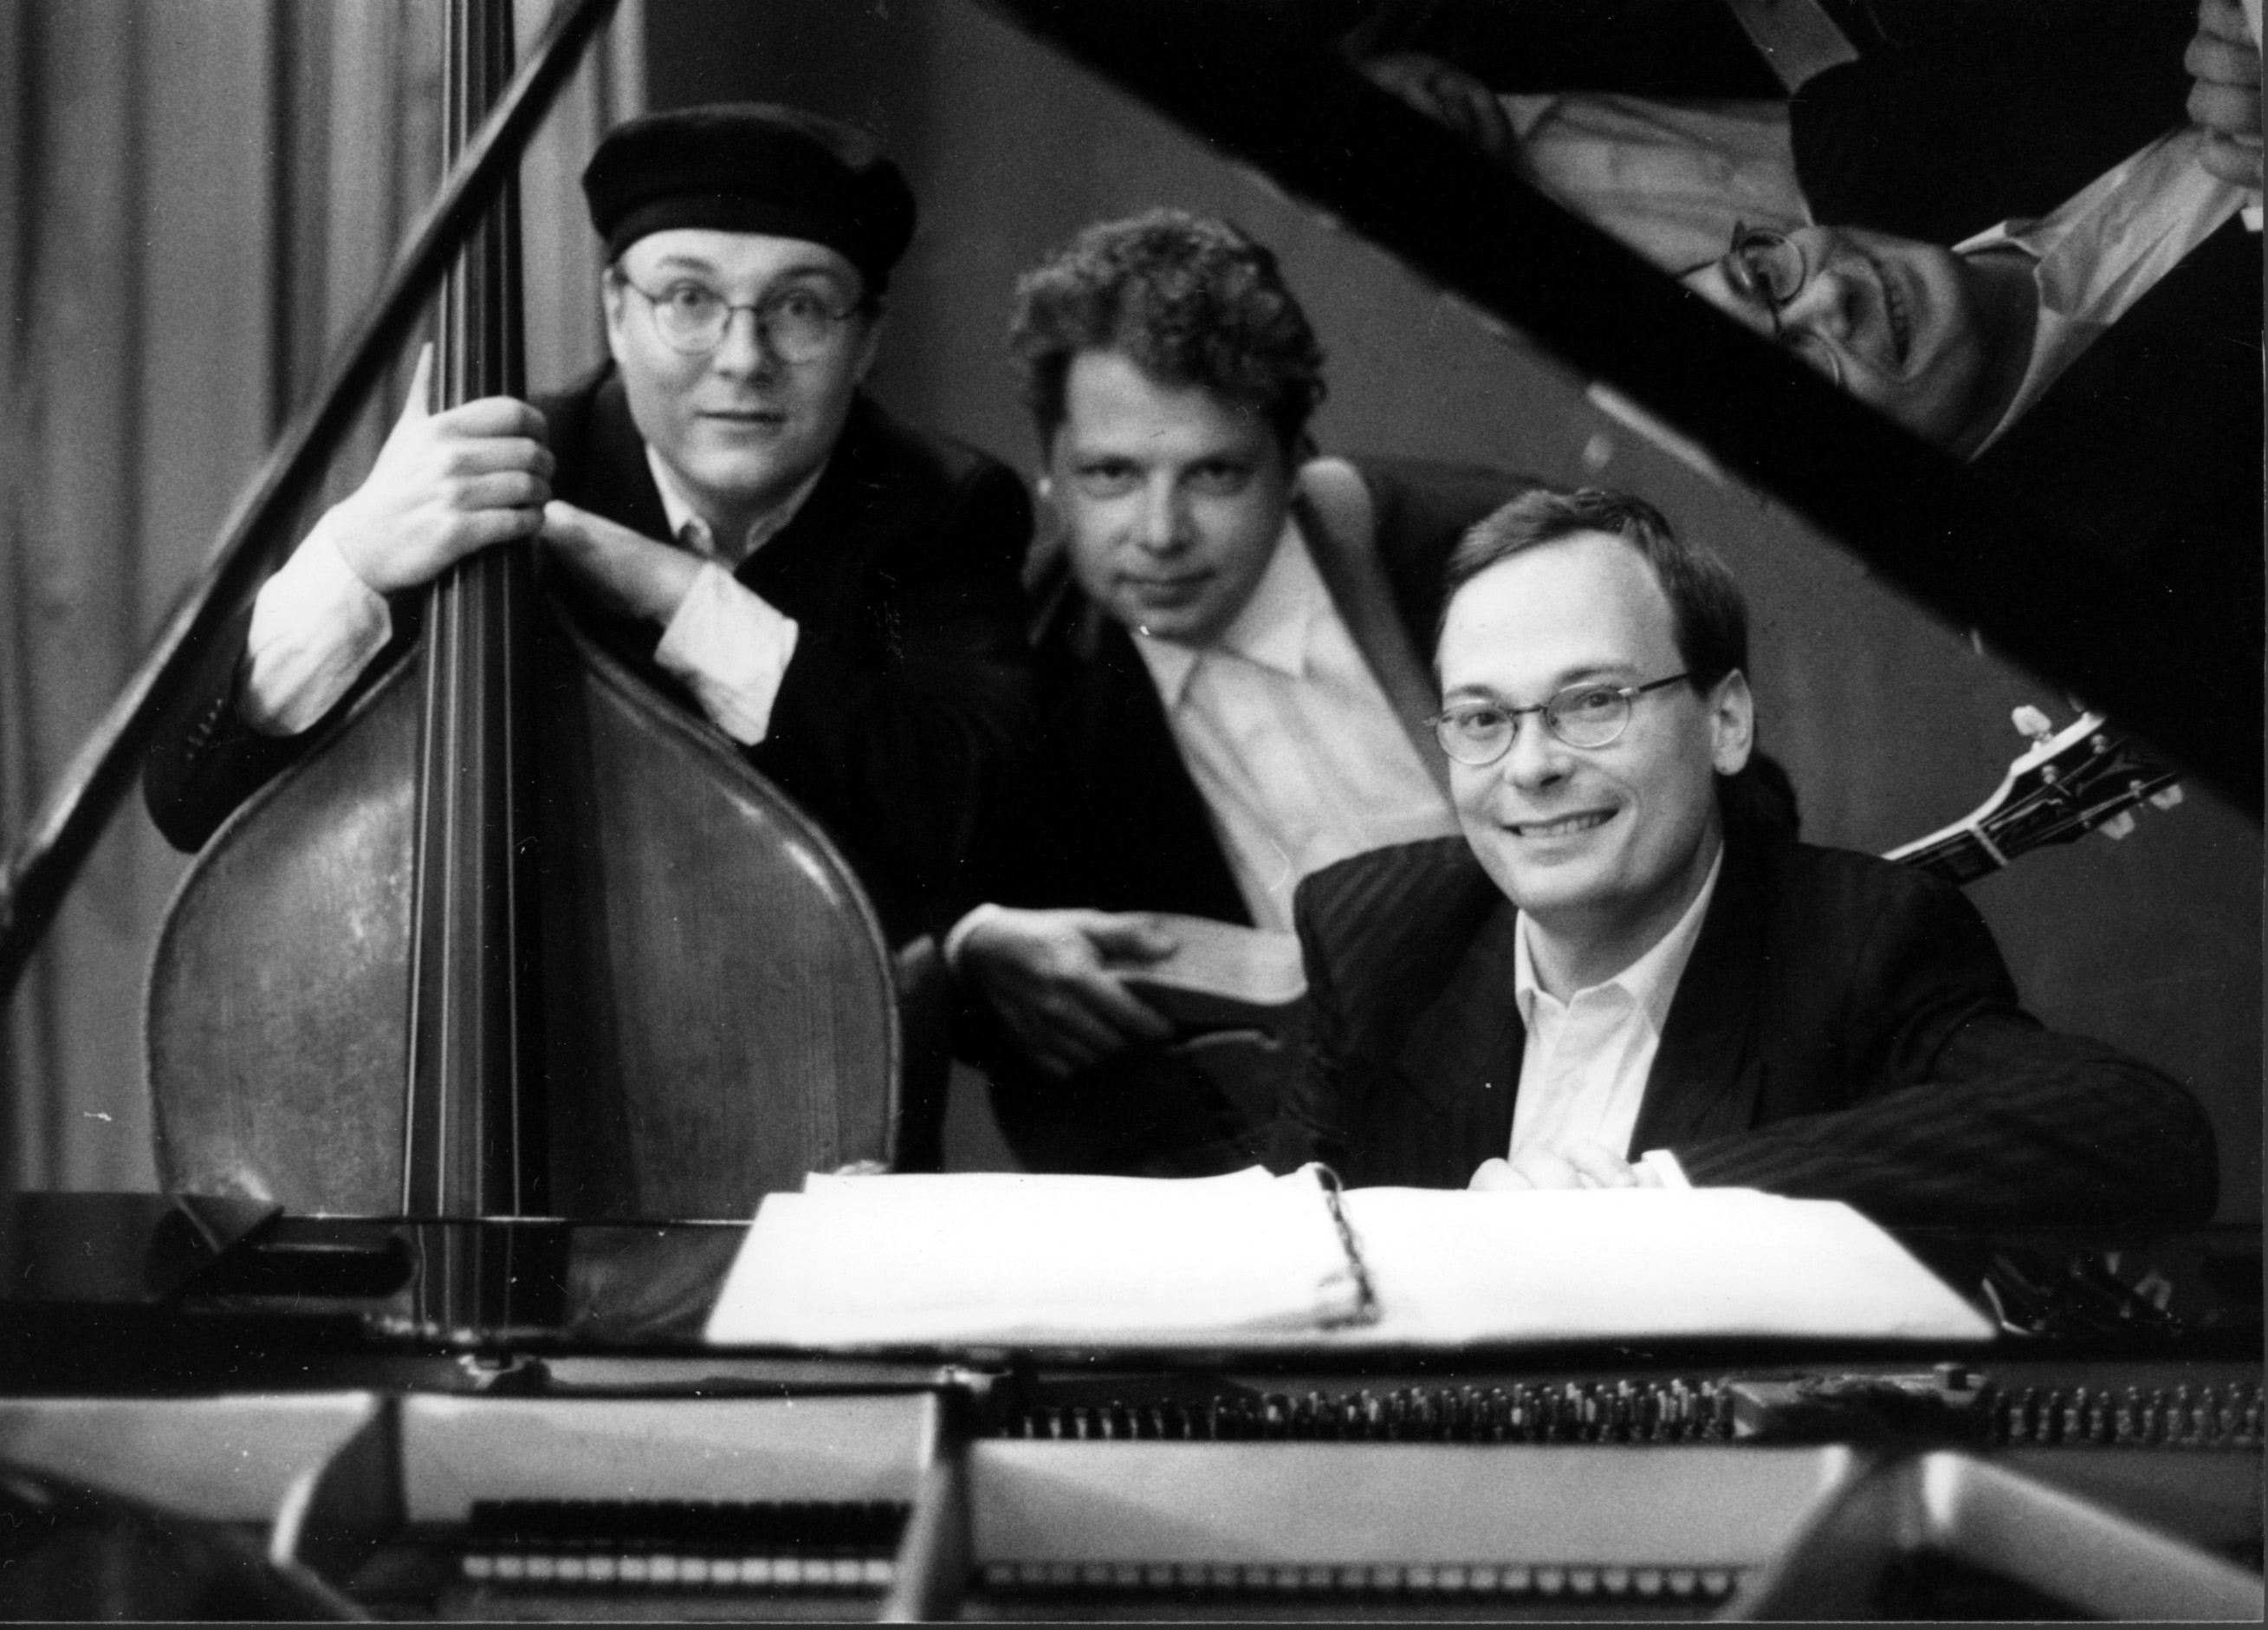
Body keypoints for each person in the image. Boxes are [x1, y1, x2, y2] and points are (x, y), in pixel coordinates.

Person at [143, 102, 1034, 951]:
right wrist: (356, 556)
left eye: (800, 306)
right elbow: (187, 796)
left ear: (867, 339)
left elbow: (977, 826)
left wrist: (681, 597)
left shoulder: (944, 506)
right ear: (616, 310)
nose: (742, 358)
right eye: (688, 297)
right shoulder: (492, 471)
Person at [1277, 485, 2218, 1226]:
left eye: (1594, 702)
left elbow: (2140, 1130)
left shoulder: (1864, 941)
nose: (1530, 766)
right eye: (1482, 718)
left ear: (1724, 722)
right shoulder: (1378, 933)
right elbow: (1272, 1249)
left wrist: (1660, 1203)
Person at [948, 209, 1538, 1176]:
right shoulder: (1021, 670)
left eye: (1215, 473)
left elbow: (1730, 804)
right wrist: (972, 943)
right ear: (1049, 473)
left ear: (1294, 456)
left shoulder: (1486, 550)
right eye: (1110, 475)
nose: (1160, 532)